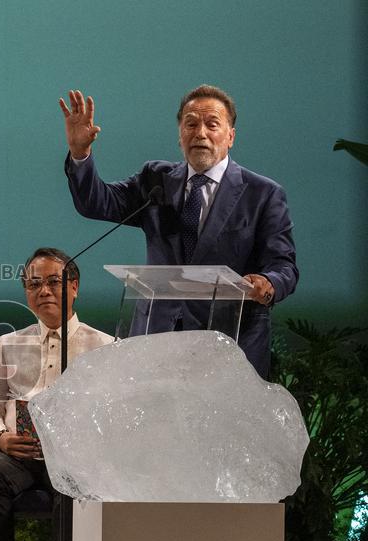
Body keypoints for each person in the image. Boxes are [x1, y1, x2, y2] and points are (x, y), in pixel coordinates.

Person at [58, 85, 298, 378]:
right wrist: (80, 153)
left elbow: (283, 265)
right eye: (191, 123)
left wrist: (267, 282)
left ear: (231, 136)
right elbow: (97, 203)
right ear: (180, 135)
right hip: (157, 338)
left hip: (228, 342)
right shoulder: (155, 179)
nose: (200, 133)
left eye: (212, 124)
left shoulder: (263, 194)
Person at [0, 247, 112, 541]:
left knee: (74, 478)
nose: (44, 291)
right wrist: (0, 436)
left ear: (74, 287)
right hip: (18, 451)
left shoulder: (105, 346)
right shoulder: (6, 344)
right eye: (35, 284)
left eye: (54, 282)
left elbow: (113, 412)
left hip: (73, 454)